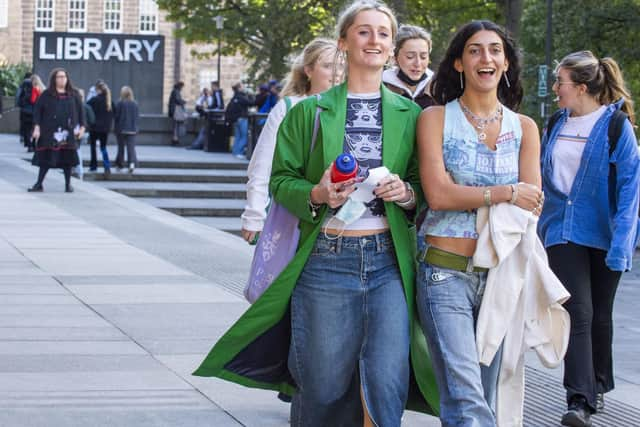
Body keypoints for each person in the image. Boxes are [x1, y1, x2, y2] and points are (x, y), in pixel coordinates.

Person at [194, 1, 439, 425]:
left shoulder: (411, 114)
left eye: (383, 33)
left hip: (389, 264)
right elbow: (281, 180)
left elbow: (422, 185)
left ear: (392, 46)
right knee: (323, 384)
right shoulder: (308, 112)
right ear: (344, 42)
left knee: (387, 382)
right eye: (364, 31)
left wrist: (406, 193)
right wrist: (319, 192)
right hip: (326, 259)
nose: (375, 40)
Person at [416, 20, 543, 426]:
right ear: (458, 62)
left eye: (494, 50)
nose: (485, 58)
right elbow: (438, 195)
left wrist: (468, 193)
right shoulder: (435, 119)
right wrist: (506, 192)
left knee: (480, 397)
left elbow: (532, 203)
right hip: (443, 273)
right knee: (465, 394)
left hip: (501, 277)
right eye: (474, 50)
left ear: (505, 63)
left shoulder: (524, 128)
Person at [538, 50, 640, 427]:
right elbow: (542, 176)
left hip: (607, 234)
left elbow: (631, 187)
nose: (555, 89)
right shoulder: (555, 123)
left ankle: (597, 383)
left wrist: (623, 243)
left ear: (581, 88)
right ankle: (578, 399)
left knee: (600, 315)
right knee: (576, 310)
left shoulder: (616, 126)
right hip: (562, 231)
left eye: (560, 83)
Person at [240, 38, 341, 244]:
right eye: (328, 66)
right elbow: (262, 164)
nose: (337, 73)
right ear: (309, 70)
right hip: (291, 213)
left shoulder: (350, 108)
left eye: (341, 66)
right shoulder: (288, 108)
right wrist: (254, 215)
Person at [28, 68, 84, 193]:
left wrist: (82, 128)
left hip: (68, 133)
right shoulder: (47, 94)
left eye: (64, 76)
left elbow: (81, 112)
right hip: (49, 132)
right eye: (59, 77)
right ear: (54, 79)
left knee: (67, 161)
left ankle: (68, 185)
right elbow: (37, 111)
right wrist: (37, 127)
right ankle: (39, 184)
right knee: (46, 160)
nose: (62, 79)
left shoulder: (74, 94)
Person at [383, 24, 435, 109]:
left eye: (423, 57)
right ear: (395, 57)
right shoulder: (382, 87)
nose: (417, 63)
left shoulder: (438, 87)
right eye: (410, 56)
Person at [87, 81, 115, 175]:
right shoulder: (110, 101)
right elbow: (115, 113)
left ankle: (93, 166)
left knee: (93, 147)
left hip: (94, 127)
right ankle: (107, 166)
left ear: (98, 90)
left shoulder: (94, 100)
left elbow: (86, 107)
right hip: (105, 129)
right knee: (103, 147)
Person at [113, 86, 140, 173]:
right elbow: (136, 117)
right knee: (131, 148)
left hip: (121, 129)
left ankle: (119, 164)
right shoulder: (135, 104)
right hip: (132, 129)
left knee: (121, 148)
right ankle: (131, 163)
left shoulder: (120, 103)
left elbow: (116, 117)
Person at [227, 82, 254, 159]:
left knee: (238, 136)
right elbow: (251, 103)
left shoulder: (235, 97)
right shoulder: (241, 97)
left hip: (236, 119)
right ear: (239, 88)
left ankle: (235, 152)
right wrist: (250, 95)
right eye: (242, 87)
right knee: (244, 136)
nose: (244, 88)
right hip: (242, 118)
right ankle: (239, 152)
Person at [71, 88, 94, 180]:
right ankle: (78, 170)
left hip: (76, 131)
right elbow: (92, 120)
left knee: (76, 150)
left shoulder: (73, 107)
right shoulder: (87, 107)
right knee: (77, 150)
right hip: (84, 132)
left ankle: (76, 169)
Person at [16, 72, 34, 151]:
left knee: (26, 128)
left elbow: (18, 97)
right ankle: (32, 145)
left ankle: (28, 144)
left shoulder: (22, 85)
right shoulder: (34, 85)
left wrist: (20, 105)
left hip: (24, 110)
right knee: (32, 128)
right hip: (33, 110)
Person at [168, 81, 186, 146]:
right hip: (175, 111)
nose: (182, 88)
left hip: (173, 110)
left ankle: (175, 139)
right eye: (182, 87)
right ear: (180, 86)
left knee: (175, 125)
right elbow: (178, 100)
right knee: (176, 125)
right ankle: (175, 140)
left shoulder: (174, 91)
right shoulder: (176, 91)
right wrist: (184, 102)